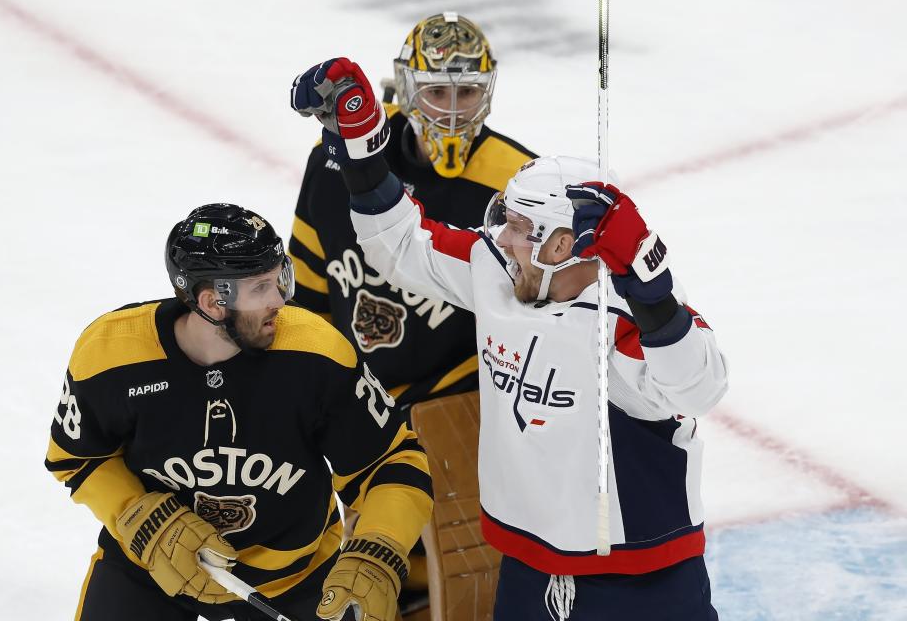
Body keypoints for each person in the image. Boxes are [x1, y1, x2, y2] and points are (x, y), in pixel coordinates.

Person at [291, 60, 729, 620]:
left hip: (641, 579)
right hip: (526, 567)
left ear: (563, 244)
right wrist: (358, 142)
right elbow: (401, 242)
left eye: (521, 227)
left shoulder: (624, 318)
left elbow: (698, 388)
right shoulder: (498, 270)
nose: (503, 235)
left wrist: (649, 288)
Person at [44, 203, 433, 621]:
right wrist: (140, 517)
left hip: (294, 578)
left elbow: (393, 462)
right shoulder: (110, 354)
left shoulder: (316, 356)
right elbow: (80, 458)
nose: (281, 300)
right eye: (261, 288)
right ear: (212, 302)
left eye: (279, 277)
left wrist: (377, 549)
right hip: (152, 566)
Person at [288, 13, 536, 407]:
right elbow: (308, 293)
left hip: (461, 402)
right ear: (406, 88)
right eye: (437, 92)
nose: (452, 111)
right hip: (354, 402)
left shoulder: (518, 184)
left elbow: (538, 321)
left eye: (468, 91)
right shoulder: (333, 162)